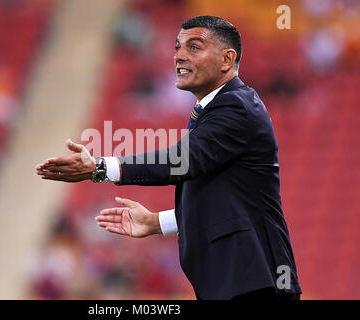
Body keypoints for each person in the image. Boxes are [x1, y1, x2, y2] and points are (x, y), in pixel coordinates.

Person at [36, 16, 302, 300]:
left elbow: (182, 160)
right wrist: (156, 223)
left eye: (194, 47)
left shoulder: (236, 107)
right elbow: (226, 204)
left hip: (254, 280)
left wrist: (101, 167)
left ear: (227, 59)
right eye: (177, 47)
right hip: (241, 281)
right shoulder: (216, 111)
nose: (179, 56)